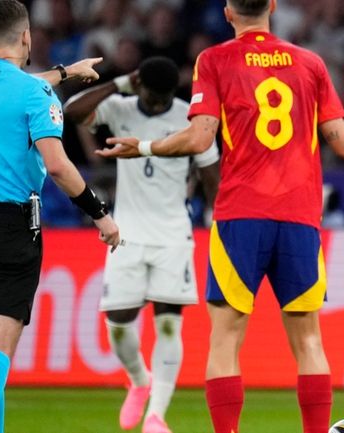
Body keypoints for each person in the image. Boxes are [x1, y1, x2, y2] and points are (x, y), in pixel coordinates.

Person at [96, 1, 344, 432]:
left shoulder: (215, 59)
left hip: (241, 215)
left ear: (228, 12)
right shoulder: (310, 63)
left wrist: (145, 146)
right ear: (273, 7)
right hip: (299, 216)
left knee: (225, 340)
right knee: (309, 340)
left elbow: (200, 136)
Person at [0, 1, 120, 432]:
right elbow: (59, 166)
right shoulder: (32, 93)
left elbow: (16, 85)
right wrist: (99, 213)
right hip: (12, 228)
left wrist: (65, 72)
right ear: (27, 37)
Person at [64, 56, 220, 433]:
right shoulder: (119, 107)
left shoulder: (189, 117)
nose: (154, 103)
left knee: (169, 326)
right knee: (118, 324)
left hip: (172, 234)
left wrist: (215, 218)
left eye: (161, 97)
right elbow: (70, 112)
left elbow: (211, 171)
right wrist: (119, 84)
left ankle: (157, 415)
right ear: (140, 86)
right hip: (126, 232)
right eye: (149, 95)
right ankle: (139, 380)